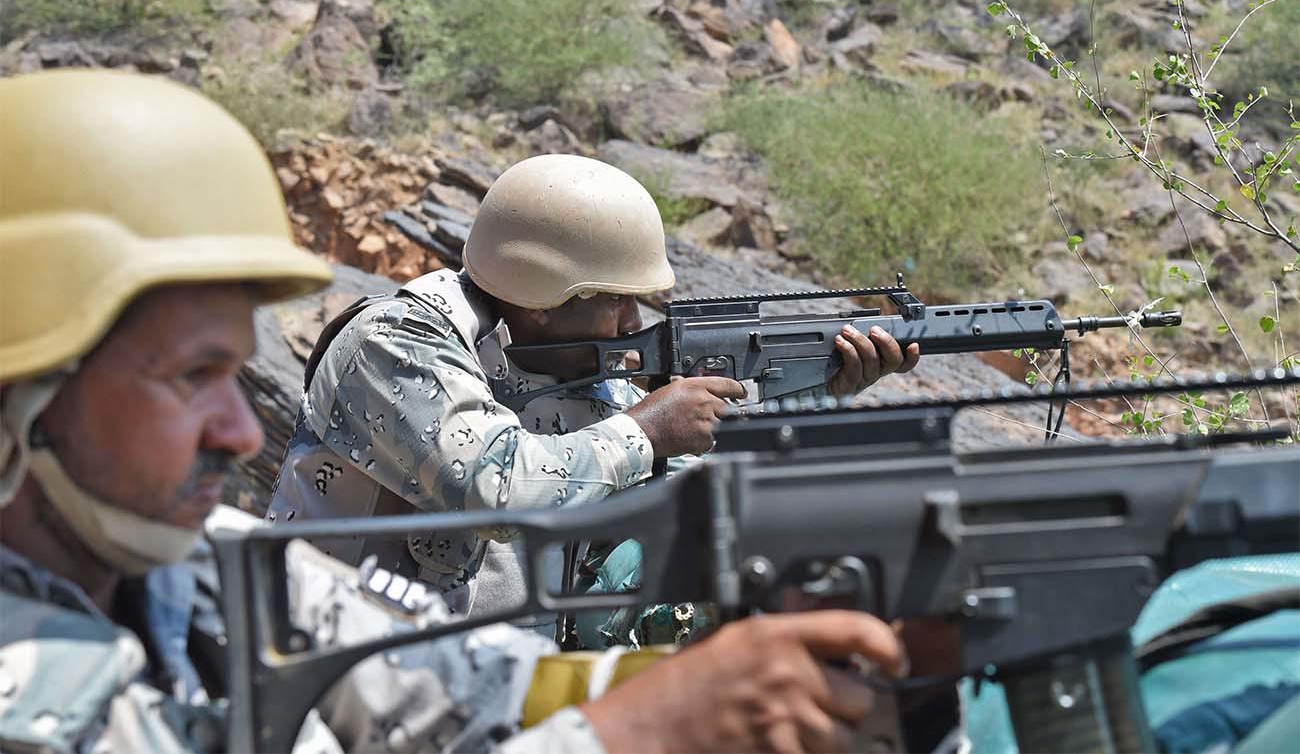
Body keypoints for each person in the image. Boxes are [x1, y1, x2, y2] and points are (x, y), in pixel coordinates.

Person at [0, 69, 910, 753]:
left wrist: (765, 682)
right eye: (187, 377)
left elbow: (444, 681)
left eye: (236, 376)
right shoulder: (32, 688)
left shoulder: (197, 575)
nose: (242, 433)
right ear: (22, 390)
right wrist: (644, 722)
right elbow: (511, 477)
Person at [267, 152, 921, 642]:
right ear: (548, 302)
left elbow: (692, 465)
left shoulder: (578, 371)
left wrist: (811, 389)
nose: (633, 324)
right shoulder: (395, 343)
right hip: (337, 675)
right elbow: (503, 488)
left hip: (481, 689)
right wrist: (646, 432)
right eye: (616, 300)